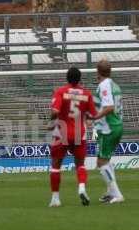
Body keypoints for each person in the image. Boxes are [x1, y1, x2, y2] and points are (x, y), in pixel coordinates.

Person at [49, 67, 97, 207]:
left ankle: (55, 199)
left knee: (56, 165)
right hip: (78, 133)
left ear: (67, 78)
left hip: (62, 132)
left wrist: (50, 122)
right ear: (79, 78)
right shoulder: (86, 94)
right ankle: (81, 188)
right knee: (80, 165)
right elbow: (92, 114)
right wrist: (86, 117)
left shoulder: (61, 92)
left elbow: (55, 111)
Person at [91, 60, 124, 204]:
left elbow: (109, 107)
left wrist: (94, 117)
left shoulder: (104, 85)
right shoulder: (114, 85)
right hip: (116, 125)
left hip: (109, 128)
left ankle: (116, 194)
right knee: (106, 160)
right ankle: (111, 192)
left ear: (98, 71)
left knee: (101, 162)